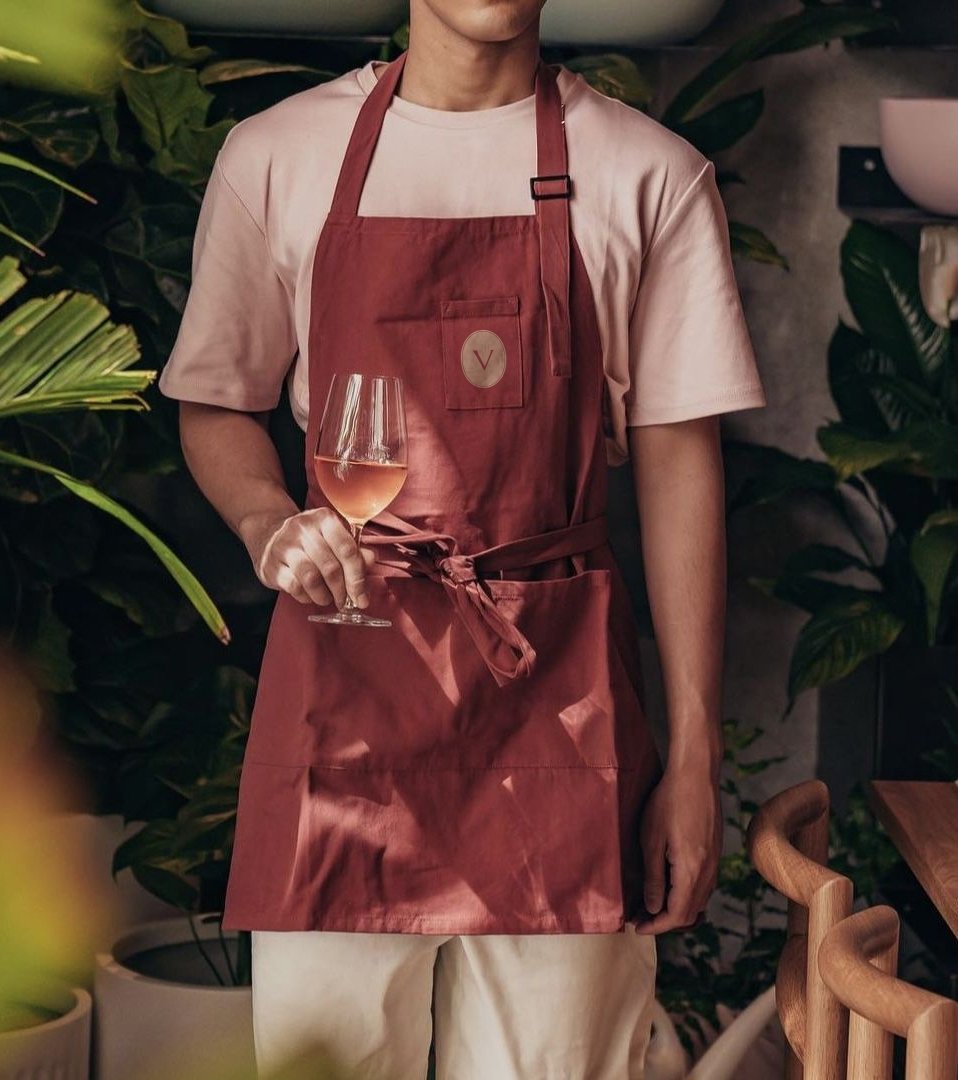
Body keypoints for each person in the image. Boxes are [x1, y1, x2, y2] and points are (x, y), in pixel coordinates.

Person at [158, 1, 767, 1076]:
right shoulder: (279, 155)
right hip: (342, 693)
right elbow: (216, 400)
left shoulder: (650, 173)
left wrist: (692, 757)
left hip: (561, 707)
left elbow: (680, 468)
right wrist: (267, 520)